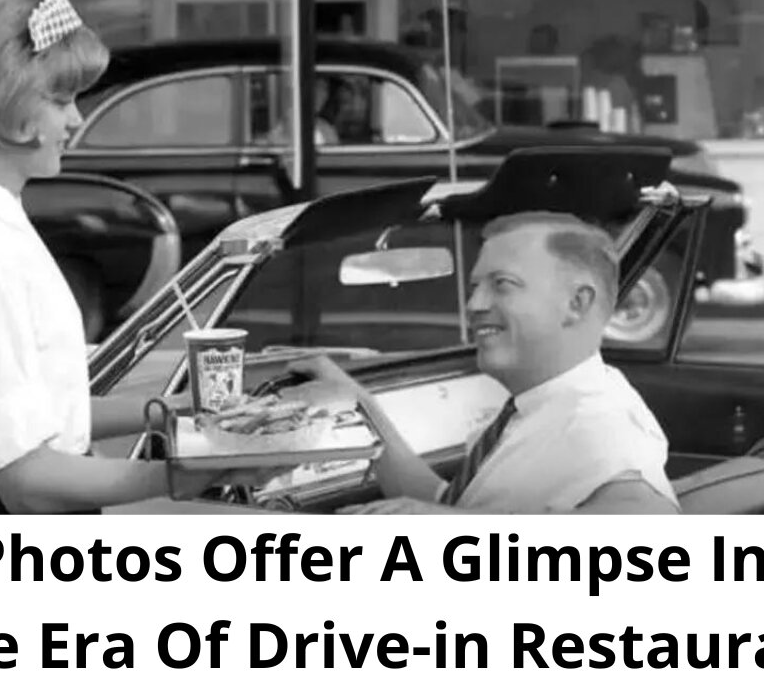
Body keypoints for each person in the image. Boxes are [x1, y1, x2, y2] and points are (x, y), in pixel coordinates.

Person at [0, 0, 258, 514]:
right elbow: (29, 481)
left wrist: (172, 413)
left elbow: (43, 414)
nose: (76, 121)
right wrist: (195, 472)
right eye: (61, 100)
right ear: (8, 104)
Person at [288, 211, 679, 515]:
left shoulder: (599, 420)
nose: (474, 305)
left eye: (502, 284)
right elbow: (447, 503)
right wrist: (358, 403)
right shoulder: (539, 407)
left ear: (577, 304)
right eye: (475, 287)